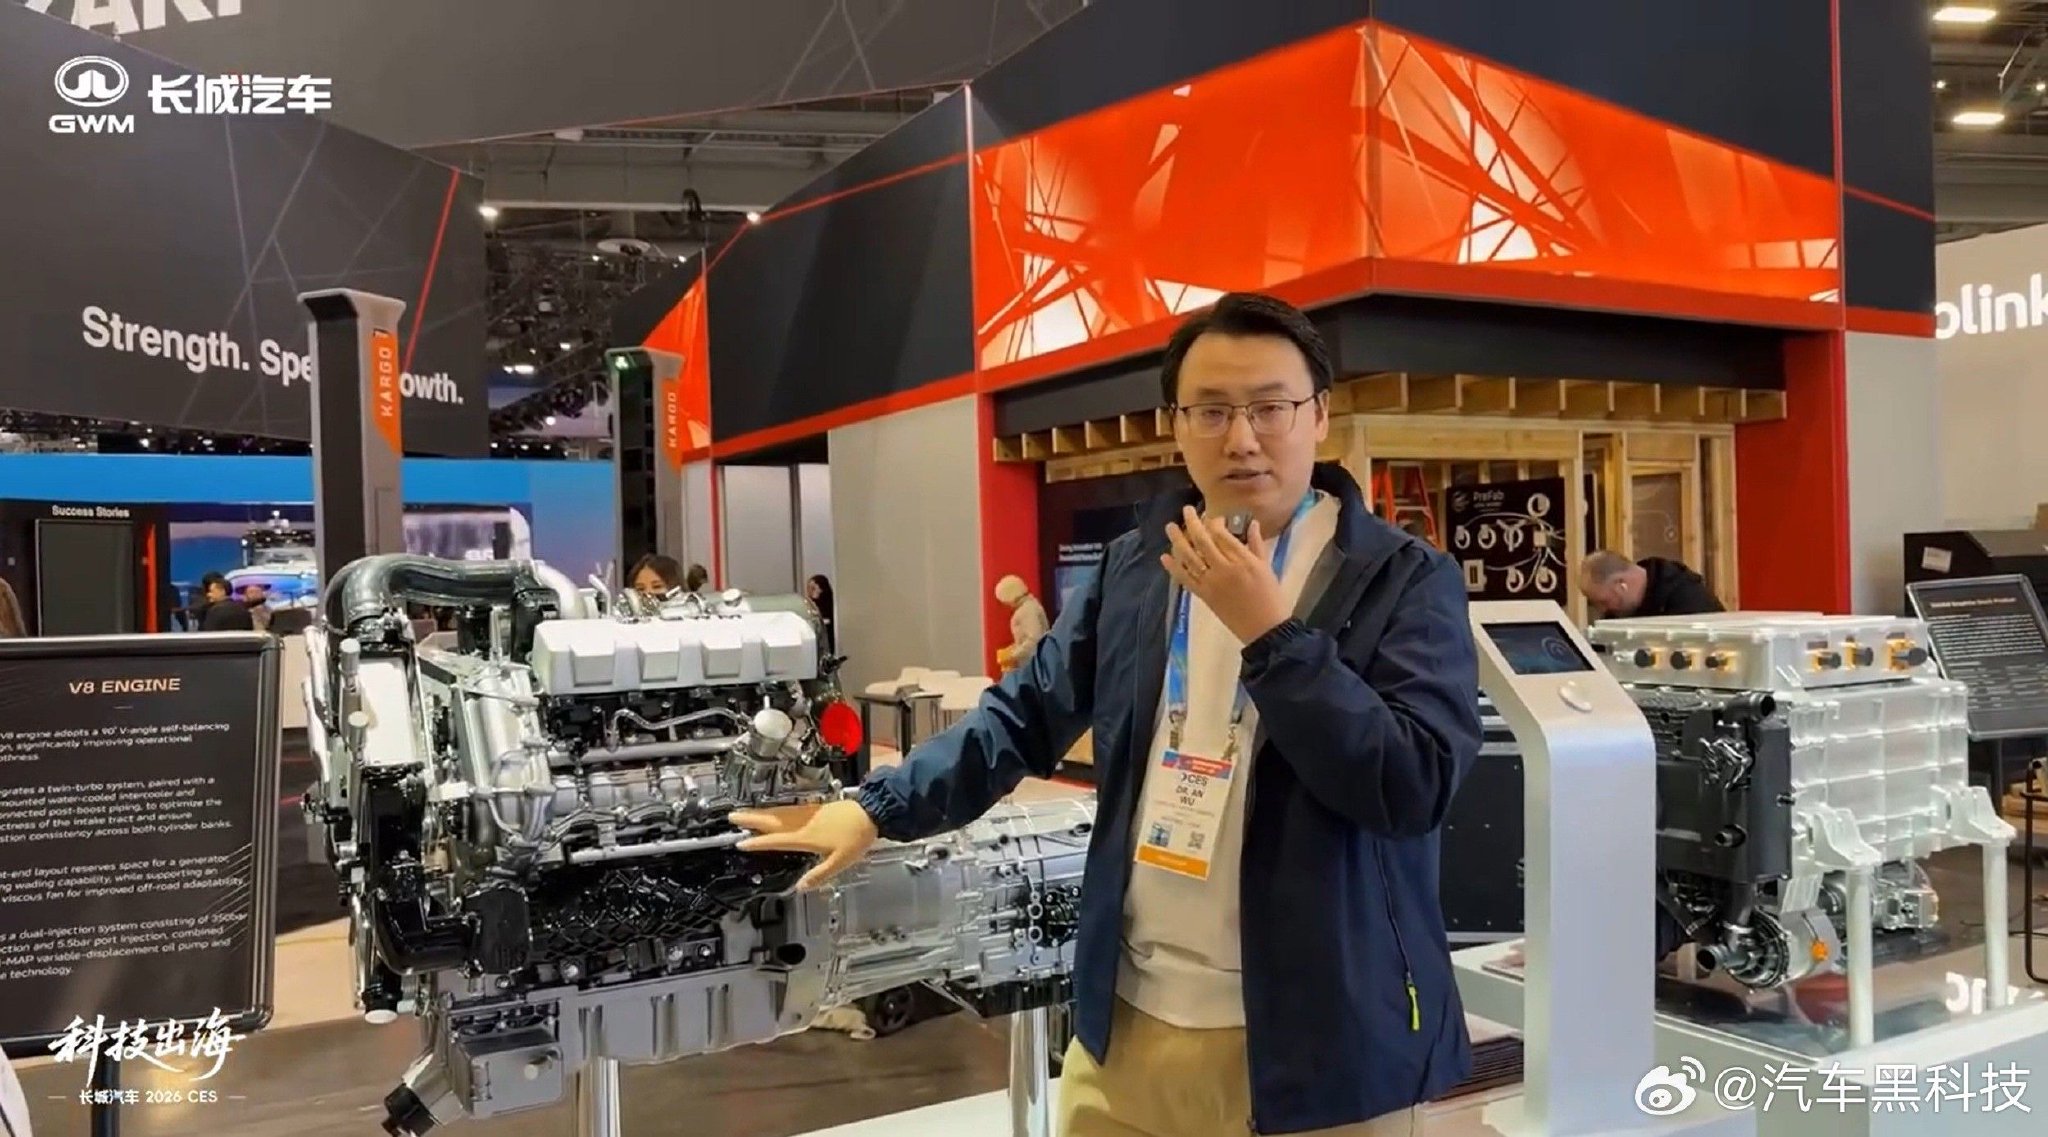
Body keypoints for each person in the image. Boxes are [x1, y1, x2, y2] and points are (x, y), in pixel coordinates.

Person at [731, 292, 1482, 1137]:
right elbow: (1023, 714)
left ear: (1318, 415)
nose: (1242, 437)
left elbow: (1413, 783)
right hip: (1127, 1028)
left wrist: (1273, 635)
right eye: (1212, 410)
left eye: (1271, 407)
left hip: (1321, 1047)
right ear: (1177, 424)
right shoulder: (1139, 566)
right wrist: (877, 807)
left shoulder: (1404, 579)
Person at [1577, 549, 1723, 620]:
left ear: (1621, 585)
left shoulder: (1690, 602)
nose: (1602, 609)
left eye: (1604, 602)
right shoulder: (1618, 613)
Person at [804, 574, 836, 654]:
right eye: (808, 588)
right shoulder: (809, 604)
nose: (809, 592)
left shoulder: (831, 604)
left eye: (813, 588)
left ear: (822, 589)